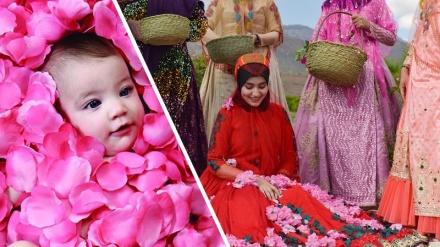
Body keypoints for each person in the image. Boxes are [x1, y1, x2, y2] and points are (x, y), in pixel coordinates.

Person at [5, 33, 223, 247]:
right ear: (62, 118)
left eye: (125, 91)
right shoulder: (50, 164)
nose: (118, 109)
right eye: (93, 104)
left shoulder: (158, 157)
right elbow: (14, 191)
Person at [200, 53, 426, 246]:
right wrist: (256, 181)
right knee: (252, 215)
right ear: (239, 87)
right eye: (249, 87)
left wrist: (281, 180)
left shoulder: (277, 113)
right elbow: (214, 161)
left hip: (273, 183)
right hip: (235, 184)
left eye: (262, 86)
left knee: (301, 199)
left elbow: (289, 155)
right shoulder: (227, 114)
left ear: (268, 85)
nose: (256, 93)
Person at [293, 0, 401, 207]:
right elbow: (317, 39)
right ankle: (333, 193)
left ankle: (371, 197)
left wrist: (369, 26)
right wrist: (314, 54)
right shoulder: (330, 6)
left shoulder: (376, 3)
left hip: (366, 78)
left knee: (368, 134)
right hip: (332, 78)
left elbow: (391, 37)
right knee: (332, 137)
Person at [118, 0, 209, 175]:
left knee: (180, 131)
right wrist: (130, 25)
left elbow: (199, 27)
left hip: (178, 76)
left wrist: (178, 29)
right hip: (138, 68)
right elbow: (113, 18)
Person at [377, 0, 440, 241]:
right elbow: (419, 34)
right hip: (419, 77)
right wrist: (405, 66)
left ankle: (433, 218)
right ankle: (416, 216)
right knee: (416, 142)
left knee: (434, 144)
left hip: (436, 77)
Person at [200, 0, 289, 142]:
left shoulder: (266, 2)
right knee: (224, 120)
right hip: (225, 68)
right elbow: (203, 27)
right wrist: (222, 45)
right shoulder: (219, 2)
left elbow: (277, 33)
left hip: (257, 66)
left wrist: (258, 39)